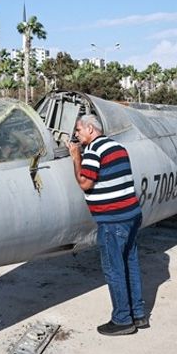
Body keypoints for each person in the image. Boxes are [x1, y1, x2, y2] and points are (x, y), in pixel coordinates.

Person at [66, 114, 148, 336]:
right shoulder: (117, 147)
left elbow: (85, 183)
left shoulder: (93, 151)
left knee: (114, 269)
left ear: (91, 129)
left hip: (113, 221)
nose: (76, 135)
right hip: (131, 215)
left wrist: (76, 157)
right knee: (129, 264)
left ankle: (122, 320)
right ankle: (138, 315)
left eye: (79, 131)